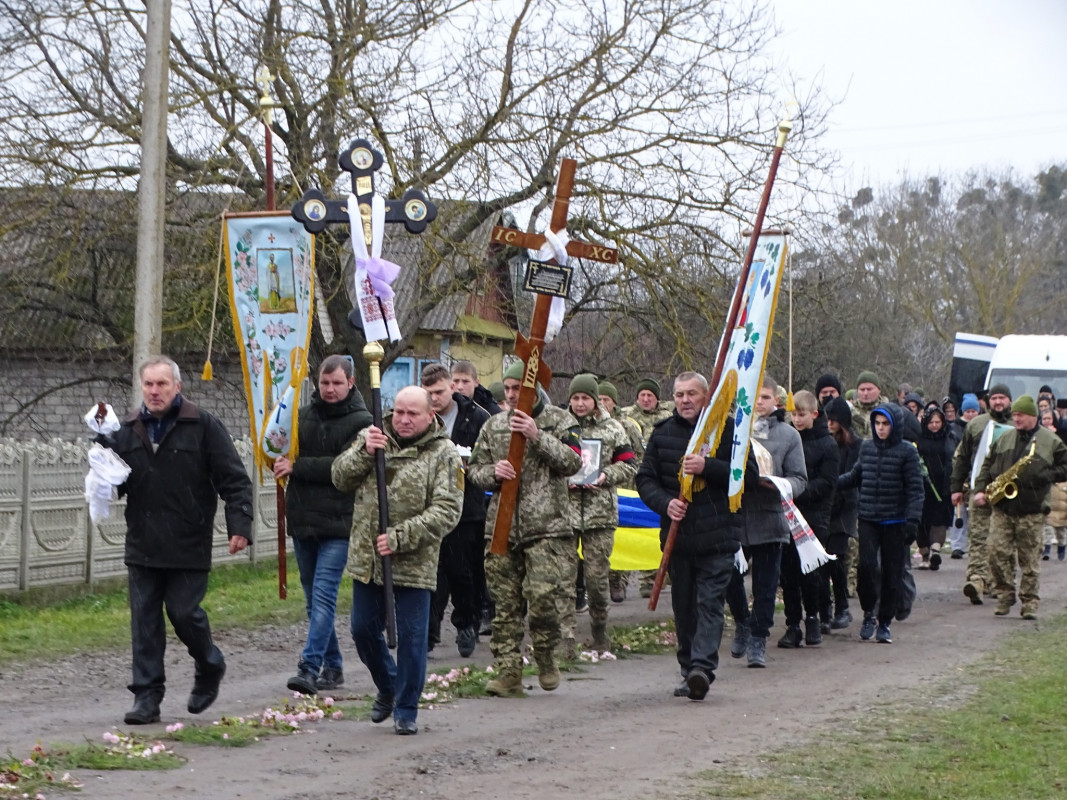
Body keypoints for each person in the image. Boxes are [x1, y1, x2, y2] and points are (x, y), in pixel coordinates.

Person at [103, 356, 253, 725]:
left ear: (177, 387)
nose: (154, 391)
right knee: (145, 623)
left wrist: (241, 526)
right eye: (149, 385)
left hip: (188, 541)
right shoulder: (127, 430)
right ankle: (147, 698)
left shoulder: (201, 426)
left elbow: (234, 480)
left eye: (162, 385)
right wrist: (99, 460)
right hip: (143, 543)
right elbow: (114, 485)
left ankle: (209, 663)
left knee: (185, 614)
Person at [331, 386, 463, 735]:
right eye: (399, 412)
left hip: (414, 561)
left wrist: (402, 537)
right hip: (369, 559)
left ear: (430, 415)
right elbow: (339, 478)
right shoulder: (372, 436)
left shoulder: (444, 453)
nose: (403, 420)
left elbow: (448, 510)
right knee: (362, 629)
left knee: (412, 637)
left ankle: (406, 708)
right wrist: (363, 451)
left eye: (412, 414)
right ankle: (389, 685)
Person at [636, 371, 756, 699]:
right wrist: (666, 504)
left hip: (718, 537)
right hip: (678, 539)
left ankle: (703, 668)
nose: (685, 400)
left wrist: (709, 467)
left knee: (710, 603)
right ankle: (688, 669)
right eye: (679, 395)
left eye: (692, 394)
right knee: (684, 607)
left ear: (706, 396)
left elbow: (750, 476)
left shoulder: (730, 430)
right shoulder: (662, 434)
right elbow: (645, 479)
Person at [467, 360, 582, 697]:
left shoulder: (561, 420)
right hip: (502, 527)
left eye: (519, 388)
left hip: (548, 528)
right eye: (508, 389)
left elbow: (573, 462)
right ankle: (508, 673)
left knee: (544, 600)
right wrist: (493, 473)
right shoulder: (494, 426)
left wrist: (537, 436)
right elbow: (474, 470)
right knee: (504, 606)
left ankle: (546, 655)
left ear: (535, 390)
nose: (512, 395)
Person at [276, 355, 372, 696]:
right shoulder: (302, 417)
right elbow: (280, 448)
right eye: (324, 383)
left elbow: (344, 467)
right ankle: (333, 666)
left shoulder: (363, 422)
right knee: (311, 599)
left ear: (351, 383)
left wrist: (297, 466)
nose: (330, 389)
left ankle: (309, 666)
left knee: (323, 595)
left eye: (336, 383)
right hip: (303, 519)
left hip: (339, 522)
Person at [726, 375, 807, 667]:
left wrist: (779, 485)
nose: (759, 403)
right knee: (728, 575)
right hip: (735, 515)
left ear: (776, 400)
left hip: (770, 518)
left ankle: (759, 638)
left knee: (766, 585)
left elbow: (799, 479)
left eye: (765, 397)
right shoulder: (732, 427)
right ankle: (741, 621)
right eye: (753, 397)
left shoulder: (788, 435)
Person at [558, 374, 637, 654]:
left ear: (595, 400)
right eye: (575, 398)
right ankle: (565, 639)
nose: (580, 404)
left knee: (596, 579)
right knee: (564, 579)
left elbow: (629, 465)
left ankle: (600, 633)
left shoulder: (613, 428)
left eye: (585, 398)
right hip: (564, 513)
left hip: (599, 513)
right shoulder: (559, 425)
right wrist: (561, 479)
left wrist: (606, 475)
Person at [420, 362, 491, 658]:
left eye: (439, 392)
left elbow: (486, 457)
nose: (434, 399)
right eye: (429, 393)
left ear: (451, 387)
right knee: (432, 574)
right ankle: (428, 633)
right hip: (429, 504)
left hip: (467, 506)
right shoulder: (418, 416)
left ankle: (466, 622)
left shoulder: (476, 417)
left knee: (463, 571)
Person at [974, 395, 1067, 619]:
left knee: (1029, 560)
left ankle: (1029, 602)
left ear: (1033, 416)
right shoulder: (1005, 437)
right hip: (1003, 507)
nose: (1016, 418)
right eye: (1014, 414)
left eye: (1020, 415)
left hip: (1032, 509)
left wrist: (1045, 475)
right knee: (996, 553)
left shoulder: (1051, 440)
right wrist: (980, 488)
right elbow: (987, 463)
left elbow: (1065, 466)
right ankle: (1005, 594)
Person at [838, 403, 923, 644]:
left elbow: (916, 490)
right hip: (868, 517)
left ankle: (885, 620)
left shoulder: (908, 452)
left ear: (895, 426)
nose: (881, 428)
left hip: (895, 520)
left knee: (891, 571)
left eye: (886, 424)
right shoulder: (867, 448)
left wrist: (912, 520)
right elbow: (856, 475)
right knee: (866, 567)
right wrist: (831, 483)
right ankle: (868, 613)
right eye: (877, 424)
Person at [950, 384, 1013, 604]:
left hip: (1010, 496)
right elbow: (962, 458)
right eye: (994, 398)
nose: (998, 402)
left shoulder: (1018, 426)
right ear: (987, 402)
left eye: (1002, 398)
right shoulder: (976, 425)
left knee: (1003, 542)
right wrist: (956, 488)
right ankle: (976, 580)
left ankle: (999, 583)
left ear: (1009, 401)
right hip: (979, 492)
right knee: (978, 538)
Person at [787, 390, 839, 643]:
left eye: (801, 414)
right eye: (793, 414)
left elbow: (827, 482)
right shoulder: (788, 439)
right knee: (788, 571)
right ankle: (792, 622)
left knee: (811, 570)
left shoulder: (827, 444)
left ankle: (814, 616)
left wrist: (797, 490)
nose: (796, 419)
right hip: (786, 511)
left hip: (814, 514)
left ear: (814, 414)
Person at [621, 377, 674, 598]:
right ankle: (621, 578)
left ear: (656, 398)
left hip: (656, 477)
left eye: (649, 396)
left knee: (652, 526)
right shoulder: (626, 417)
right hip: (630, 478)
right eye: (642, 395)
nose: (645, 399)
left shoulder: (666, 418)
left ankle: (651, 577)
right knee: (629, 526)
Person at [598, 379, 645, 603]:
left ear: (614, 402)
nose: (601, 403)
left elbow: (639, 456)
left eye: (605, 399)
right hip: (597, 489)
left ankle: (619, 581)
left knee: (622, 537)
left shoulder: (626, 426)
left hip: (625, 489)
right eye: (597, 398)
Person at [824, 397, 860, 629]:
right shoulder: (825, 443)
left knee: (836, 558)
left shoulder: (854, 446)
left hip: (844, 506)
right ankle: (824, 607)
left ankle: (842, 606)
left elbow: (852, 476)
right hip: (825, 505)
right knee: (823, 560)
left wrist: (834, 487)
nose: (830, 424)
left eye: (834, 420)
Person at [916, 406, 954, 571]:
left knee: (939, 519)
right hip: (922, 486)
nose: (934, 425)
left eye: (938, 422)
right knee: (921, 522)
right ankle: (924, 554)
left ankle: (935, 550)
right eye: (931, 422)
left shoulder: (948, 437)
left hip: (941, 486)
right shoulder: (919, 439)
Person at [851, 371, 888, 441]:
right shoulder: (851, 412)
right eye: (862, 390)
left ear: (879, 390)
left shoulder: (888, 411)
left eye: (869, 389)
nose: (865, 393)